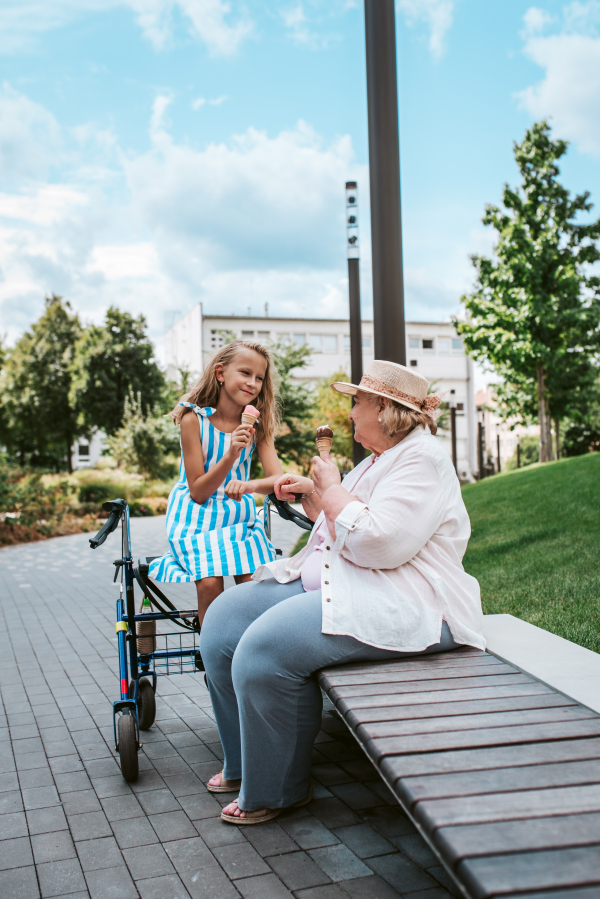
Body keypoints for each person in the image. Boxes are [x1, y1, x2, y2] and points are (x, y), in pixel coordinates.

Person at [200, 360, 485, 824]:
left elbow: (380, 543)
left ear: (386, 410)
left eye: (358, 403)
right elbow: (340, 521)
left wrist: (331, 489)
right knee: (224, 621)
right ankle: (246, 761)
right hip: (348, 580)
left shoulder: (423, 459)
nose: (350, 414)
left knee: (264, 648)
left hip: (412, 601)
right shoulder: (381, 458)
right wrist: (314, 494)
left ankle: (277, 788)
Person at [148, 340, 283, 624]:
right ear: (220, 373)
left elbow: (277, 480)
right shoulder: (192, 420)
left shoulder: (257, 426)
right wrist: (232, 453)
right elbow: (198, 491)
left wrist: (250, 486)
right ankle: (211, 652)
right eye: (245, 373)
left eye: (259, 378)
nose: (253, 383)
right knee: (210, 583)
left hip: (237, 517)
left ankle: (248, 650)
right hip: (196, 517)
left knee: (253, 585)